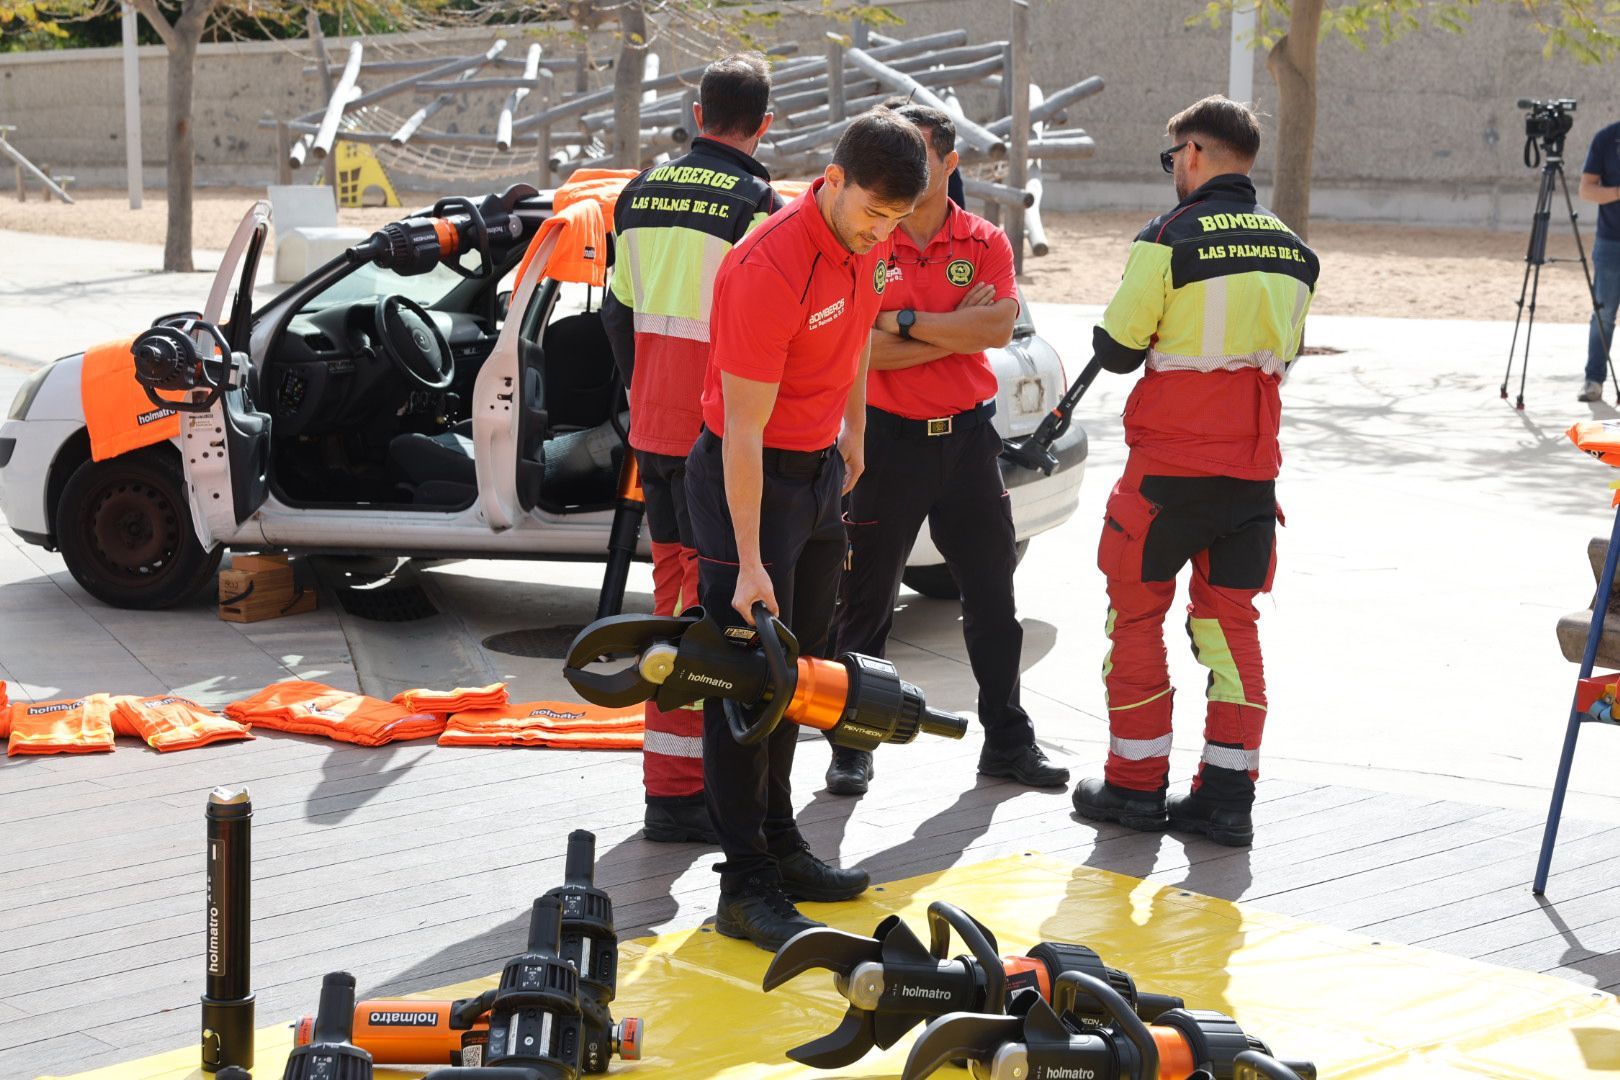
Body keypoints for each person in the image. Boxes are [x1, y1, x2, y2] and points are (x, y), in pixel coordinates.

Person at [684, 109, 929, 950]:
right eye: (872, 212)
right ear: (832, 180)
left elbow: (857, 336)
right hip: (747, 485)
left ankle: (783, 845)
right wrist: (750, 561)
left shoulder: (866, 245)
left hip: (817, 472)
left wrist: (853, 429)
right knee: (745, 682)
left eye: (895, 222)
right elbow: (741, 433)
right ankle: (743, 884)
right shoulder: (768, 267)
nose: (881, 232)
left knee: (802, 676)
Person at [1069, 95, 1318, 848]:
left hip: (1165, 476)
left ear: (1198, 155)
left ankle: (1136, 786)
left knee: (1136, 619)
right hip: (1250, 480)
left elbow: (1117, 347)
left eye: (1173, 156)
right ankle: (1227, 798)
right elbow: (1289, 355)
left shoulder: (1168, 237)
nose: (1173, 168)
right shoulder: (1294, 251)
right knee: (1231, 627)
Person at [823, 103, 1068, 798]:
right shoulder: (871, 235)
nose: (902, 164)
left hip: (966, 440)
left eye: (919, 153)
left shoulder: (986, 239)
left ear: (949, 162)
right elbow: (857, 345)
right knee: (863, 606)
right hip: (887, 444)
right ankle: (852, 744)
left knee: (993, 599)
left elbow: (995, 328)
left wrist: (902, 324)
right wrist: (945, 328)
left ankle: (1008, 742)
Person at [601, 54, 783, 845]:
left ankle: (669, 788)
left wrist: (641, 389)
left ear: (698, 111)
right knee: (718, 616)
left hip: (657, 431)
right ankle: (696, 794)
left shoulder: (637, 194)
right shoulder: (757, 206)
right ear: (764, 123)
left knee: (672, 599)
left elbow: (614, 313)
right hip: (721, 437)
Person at [1578, 119, 1620, 402]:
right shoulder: (1606, 139)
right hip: (1611, 242)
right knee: (1603, 315)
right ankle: (1594, 380)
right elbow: (1586, 189)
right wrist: (1618, 192)